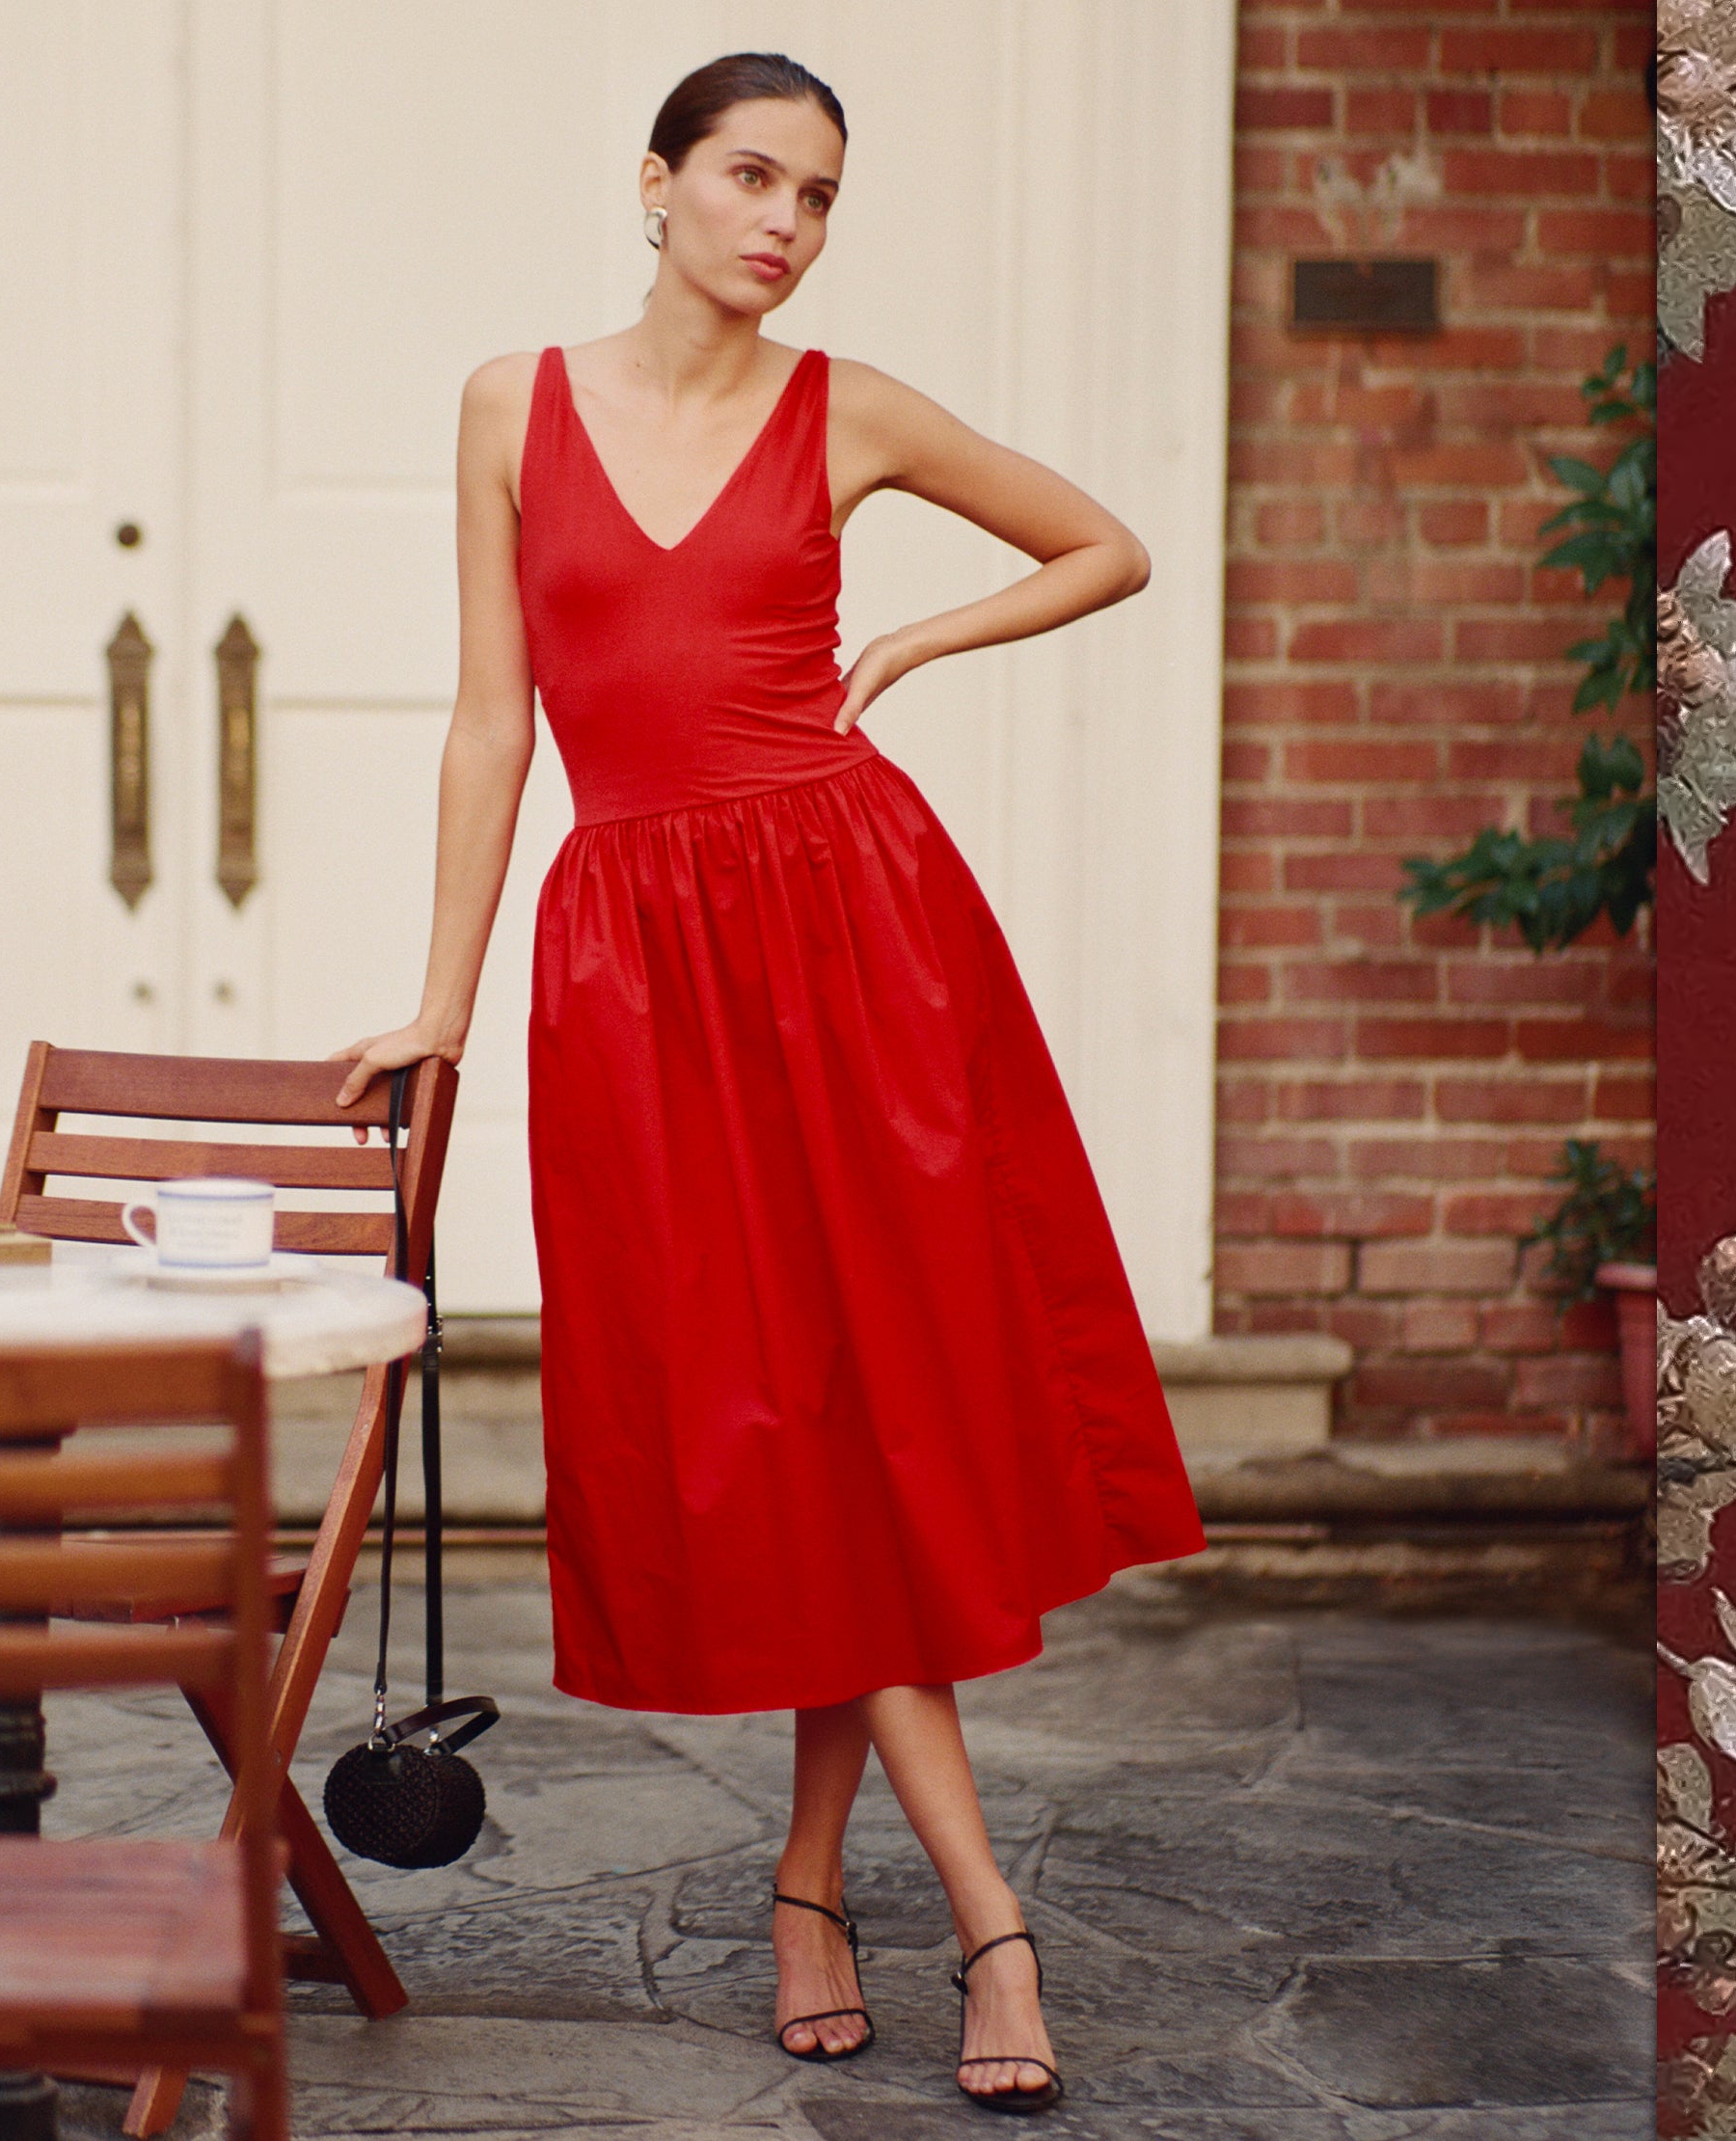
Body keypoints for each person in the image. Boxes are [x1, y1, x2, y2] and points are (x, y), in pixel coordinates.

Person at [329, 52, 1203, 2114]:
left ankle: (980, 1919)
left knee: (866, 1414)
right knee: (780, 1419)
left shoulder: (852, 409)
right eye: (748, 176)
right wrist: (442, 1005)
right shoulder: (505, 406)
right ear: (656, 184)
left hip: (853, 940)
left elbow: (1108, 547)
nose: (783, 222)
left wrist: (904, 658)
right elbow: (490, 730)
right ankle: (816, 1883)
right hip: (638, 966)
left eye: (816, 194)